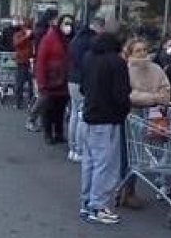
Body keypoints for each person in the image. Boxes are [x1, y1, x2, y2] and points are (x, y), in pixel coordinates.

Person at [80, 23, 132, 224]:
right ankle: (98, 206)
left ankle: (87, 202)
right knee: (105, 164)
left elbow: (84, 86)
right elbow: (121, 94)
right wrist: (123, 111)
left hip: (90, 114)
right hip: (108, 118)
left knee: (90, 162)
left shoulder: (89, 56)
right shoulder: (116, 63)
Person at [118, 37, 171, 206]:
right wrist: (153, 97)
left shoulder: (156, 69)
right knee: (129, 155)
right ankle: (126, 190)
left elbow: (166, 93)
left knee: (147, 153)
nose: (142, 53)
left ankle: (130, 190)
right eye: (137, 50)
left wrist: (147, 98)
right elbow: (129, 95)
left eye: (144, 50)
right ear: (130, 53)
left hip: (155, 115)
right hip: (132, 115)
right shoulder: (125, 70)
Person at [68, 17, 105, 163]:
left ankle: (72, 148)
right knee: (83, 115)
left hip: (72, 78)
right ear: (99, 27)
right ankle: (79, 149)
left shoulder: (77, 38)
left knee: (74, 114)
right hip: (83, 80)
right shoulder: (93, 41)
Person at [34, 9, 70, 145]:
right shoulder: (48, 39)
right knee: (49, 109)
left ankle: (59, 132)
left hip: (63, 80)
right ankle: (48, 133)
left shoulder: (65, 38)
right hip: (51, 80)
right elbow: (41, 61)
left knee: (60, 109)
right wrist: (41, 82)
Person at [13, 17, 34, 109]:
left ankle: (31, 101)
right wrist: (26, 37)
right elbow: (17, 44)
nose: (27, 29)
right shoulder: (19, 34)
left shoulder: (34, 36)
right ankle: (18, 102)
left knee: (32, 84)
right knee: (20, 83)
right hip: (22, 61)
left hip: (31, 61)